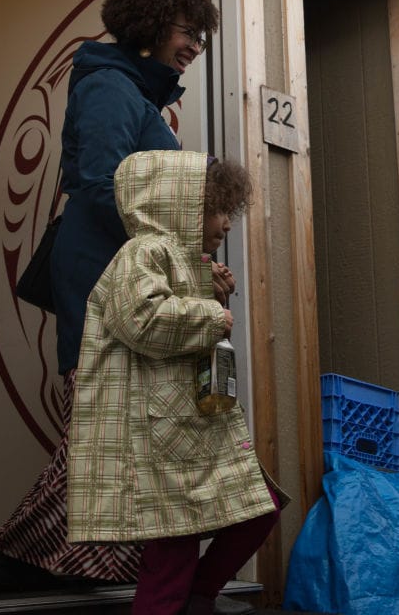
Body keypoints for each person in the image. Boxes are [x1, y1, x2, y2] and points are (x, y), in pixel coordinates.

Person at [0, 0, 226, 589]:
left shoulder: (139, 95)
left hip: (123, 272)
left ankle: (49, 564)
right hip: (103, 276)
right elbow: (103, 183)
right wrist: (187, 250)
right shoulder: (111, 86)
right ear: (151, 23)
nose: (195, 45)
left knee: (116, 432)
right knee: (108, 428)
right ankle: (12, 559)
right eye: (187, 30)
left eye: (202, 36)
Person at [67, 150, 285, 615]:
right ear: (183, 204)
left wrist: (207, 285)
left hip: (190, 425)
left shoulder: (181, 258)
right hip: (162, 432)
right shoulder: (143, 251)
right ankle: (188, 600)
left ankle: (198, 598)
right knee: (171, 553)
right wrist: (210, 312)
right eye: (219, 210)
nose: (227, 224)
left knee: (259, 508)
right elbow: (140, 318)